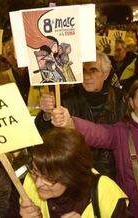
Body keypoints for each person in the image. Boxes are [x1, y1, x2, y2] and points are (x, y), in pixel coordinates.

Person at [52, 78, 138, 218]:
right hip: (130, 210)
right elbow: (97, 133)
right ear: (131, 102)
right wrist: (70, 121)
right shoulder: (122, 131)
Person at [35, 51, 127, 180]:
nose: (87, 76)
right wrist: (46, 114)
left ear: (105, 74)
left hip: (113, 172)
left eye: (93, 70)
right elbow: (46, 135)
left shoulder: (122, 99)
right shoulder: (65, 99)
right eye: (83, 70)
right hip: (75, 170)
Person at [9, 127, 133, 218]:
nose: (38, 184)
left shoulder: (104, 192)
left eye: (50, 178)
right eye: (35, 172)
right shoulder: (23, 187)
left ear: (72, 174)